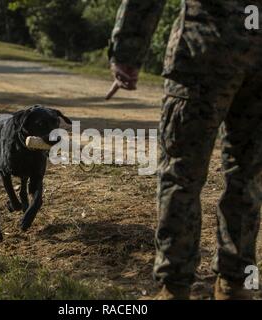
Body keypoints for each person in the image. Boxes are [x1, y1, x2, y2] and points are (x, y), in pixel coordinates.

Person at [107, 0, 262, 300]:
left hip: (203, 51)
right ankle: (235, 283)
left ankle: (174, 287)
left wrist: (127, 51)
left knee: (181, 172)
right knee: (247, 173)